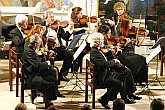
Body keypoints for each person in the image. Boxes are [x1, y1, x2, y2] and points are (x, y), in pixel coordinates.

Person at [23, 34, 57, 108]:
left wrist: (45, 58)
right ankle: (48, 103)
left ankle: (48, 99)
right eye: (39, 44)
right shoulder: (29, 52)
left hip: (34, 73)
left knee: (52, 77)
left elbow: (36, 62)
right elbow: (36, 65)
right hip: (30, 77)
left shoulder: (31, 49)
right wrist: (46, 63)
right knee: (49, 84)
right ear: (35, 43)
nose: (39, 45)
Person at [42, 11, 74, 81]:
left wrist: (70, 30)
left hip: (58, 48)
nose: (53, 19)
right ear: (45, 19)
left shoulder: (58, 27)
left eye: (53, 17)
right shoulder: (43, 27)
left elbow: (65, 37)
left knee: (70, 54)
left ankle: (62, 74)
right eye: (51, 17)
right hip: (49, 48)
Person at [68, 6, 92, 72]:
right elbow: (72, 30)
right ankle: (74, 68)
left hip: (84, 40)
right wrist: (83, 28)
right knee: (77, 52)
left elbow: (90, 29)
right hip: (77, 39)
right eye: (80, 13)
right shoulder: (72, 21)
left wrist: (88, 25)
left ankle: (77, 67)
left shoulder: (85, 19)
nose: (82, 15)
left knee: (83, 51)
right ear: (76, 14)